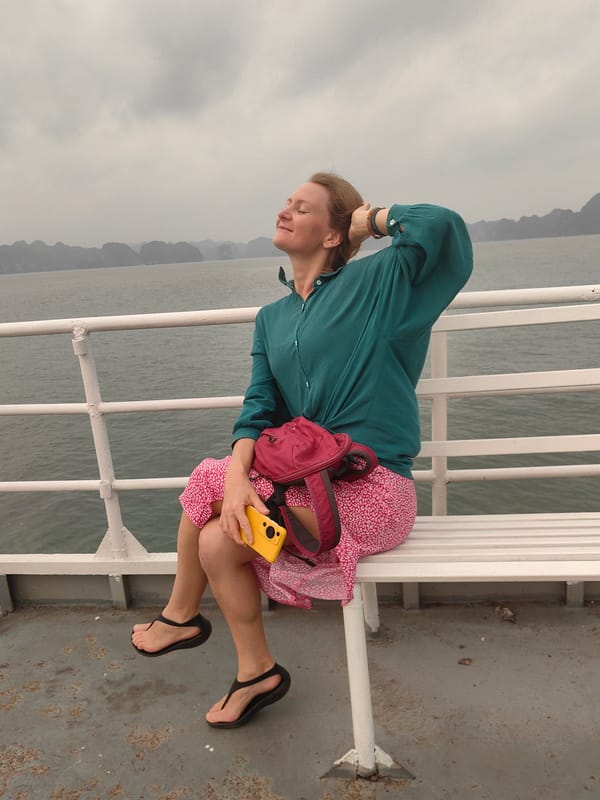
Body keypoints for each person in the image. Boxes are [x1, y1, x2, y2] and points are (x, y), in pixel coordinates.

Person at [131, 172, 473, 728]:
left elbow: (446, 231)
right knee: (218, 539)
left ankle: (181, 615)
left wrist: (368, 219)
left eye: (304, 208)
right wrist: (239, 479)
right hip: (299, 489)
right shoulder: (272, 319)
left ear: (333, 234)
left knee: (207, 486)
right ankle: (256, 670)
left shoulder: (381, 283)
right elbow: (257, 408)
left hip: (373, 489)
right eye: (285, 203)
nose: (285, 211)